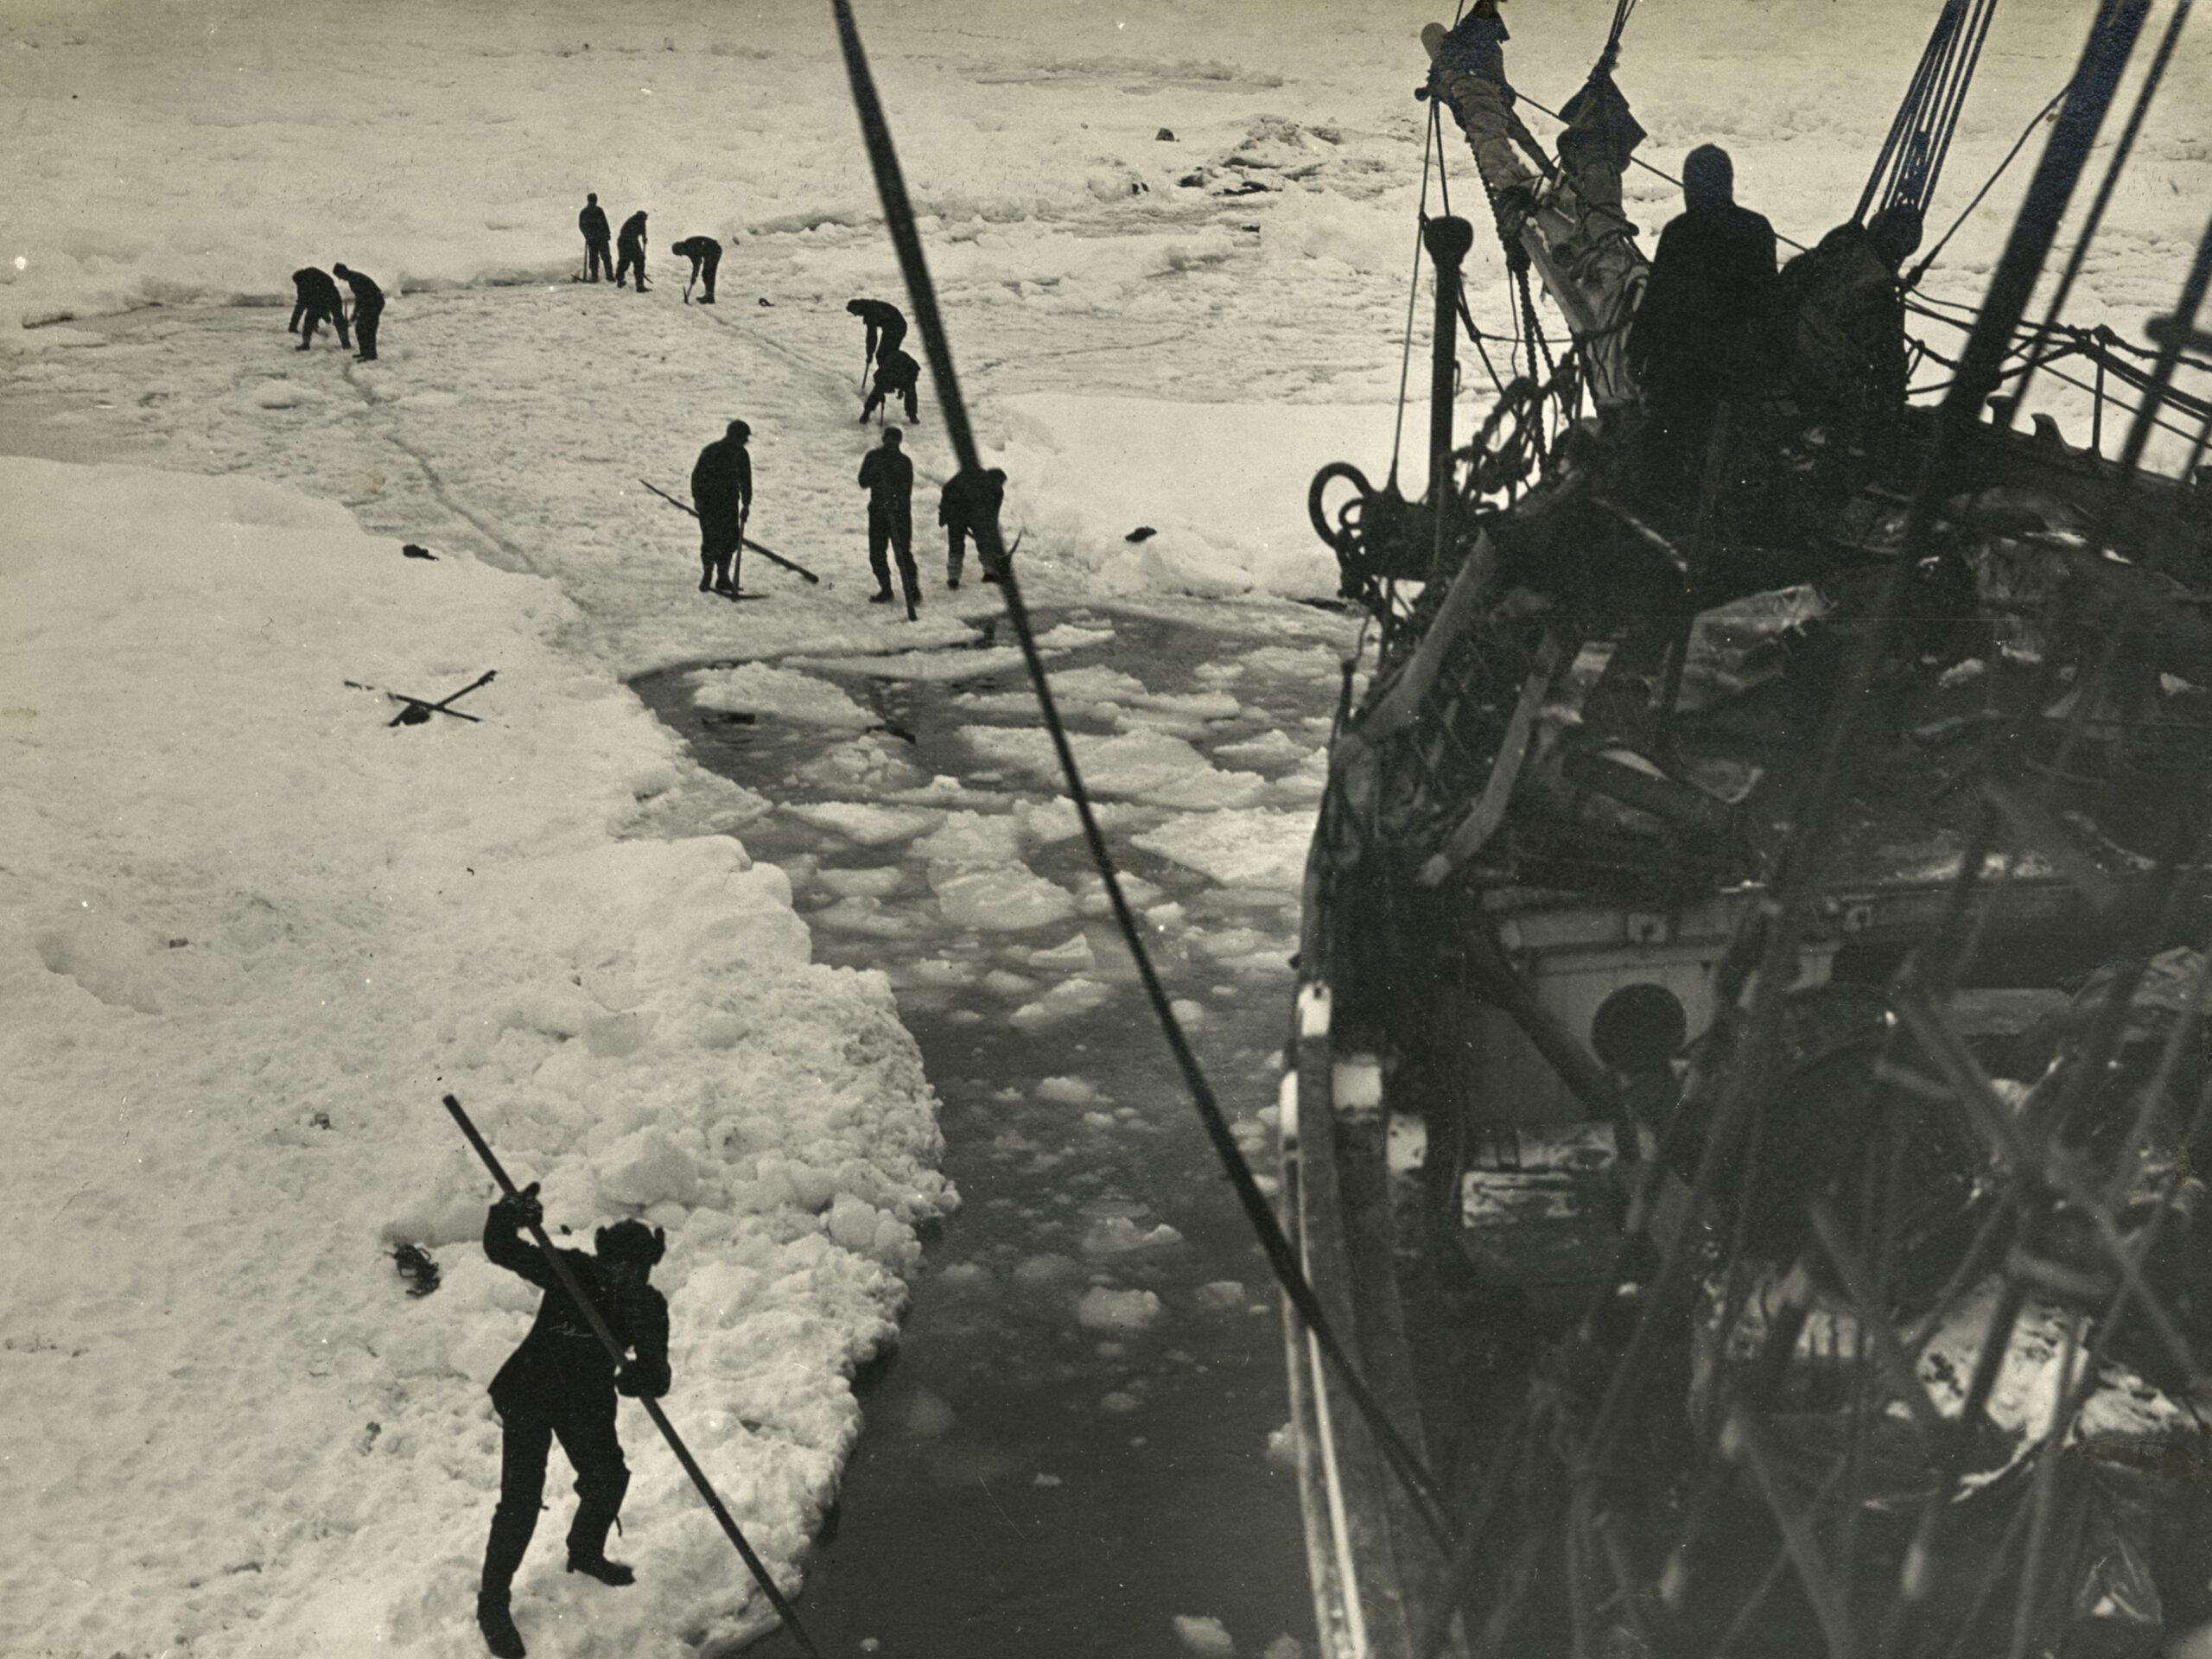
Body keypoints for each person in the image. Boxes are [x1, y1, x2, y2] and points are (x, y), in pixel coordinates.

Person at [475, 1182, 670, 1659]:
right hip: (532, 1391)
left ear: (648, 1268)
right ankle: (492, 1605)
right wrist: (508, 1213)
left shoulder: (648, 1306)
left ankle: (584, 1552)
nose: (624, 1277)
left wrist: (641, 1376)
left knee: (609, 1478)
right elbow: (500, 1248)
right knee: (521, 1500)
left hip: (585, 1398)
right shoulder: (572, 1272)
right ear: (602, 1260)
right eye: (616, 1266)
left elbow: (657, 1375)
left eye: (636, 1269)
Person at [1626, 144, 1778, 508]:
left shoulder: (1680, 231)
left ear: (1689, 186)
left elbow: (1657, 302)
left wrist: (1635, 353)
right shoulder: (1757, 229)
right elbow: (1770, 305)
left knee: (1667, 454)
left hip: (1682, 374)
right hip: (1737, 374)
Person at [1778, 202, 1923, 455]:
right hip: (1815, 386)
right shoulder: (1881, 290)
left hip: (1777, 357)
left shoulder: (1828, 252)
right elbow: (1891, 365)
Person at [858, 427, 919, 620]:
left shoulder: (904, 462)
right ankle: (886, 588)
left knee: (903, 552)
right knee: (877, 552)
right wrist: (874, 474)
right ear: (884, 439)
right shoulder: (873, 457)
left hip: (899, 515)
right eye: (889, 440)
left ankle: (912, 589)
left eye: (895, 440)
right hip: (877, 514)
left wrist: (894, 503)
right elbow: (862, 481)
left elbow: (906, 490)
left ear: (899, 442)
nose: (891, 443)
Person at [690, 420, 753, 595]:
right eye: (744, 438)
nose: (745, 442)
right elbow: (697, 477)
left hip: (726, 505)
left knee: (728, 540)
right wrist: (698, 499)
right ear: (736, 437)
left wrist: (746, 504)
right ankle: (708, 575)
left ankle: (722, 577)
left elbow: (745, 481)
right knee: (713, 540)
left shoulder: (740, 454)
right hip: (711, 504)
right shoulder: (712, 451)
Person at [938, 465, 1007, 588]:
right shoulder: (974, 478)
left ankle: (986, 573)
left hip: (970, 516)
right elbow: (948, 490)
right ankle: (956, 577)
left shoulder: (995, 490)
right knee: (962, 544)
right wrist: (945, 513)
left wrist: (990, 530)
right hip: (958, 513)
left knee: (973, 543)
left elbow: (993, 514)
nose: (1000, 486)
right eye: (1000, 483)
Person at [288, 267, 350, 352]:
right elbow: (301, 305)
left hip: (327, 298)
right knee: (338, 320)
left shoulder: (306, 282)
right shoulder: (311, 274)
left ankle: (306, 344)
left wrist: (293, 326)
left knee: (310, 320)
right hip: (332, 297)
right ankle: (346, 344)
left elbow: (300, 306)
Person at [331, 264, 384, 362]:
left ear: (343, 272)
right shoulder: (353, 278)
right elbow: (360, 298)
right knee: (360, 328)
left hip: (374, 303)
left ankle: (371, 355)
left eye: (339, 276)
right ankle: (364, 352)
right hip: (370, 303)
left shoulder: (355, 279)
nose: (340, 279)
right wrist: (356, 315)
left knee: (368, 328)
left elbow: (361, 298)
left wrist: (355, 315)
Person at [861, 346, 920, 424]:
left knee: (911, 390)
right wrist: (881, 393)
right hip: (892, 371)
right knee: (878, 390)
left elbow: (912, 378)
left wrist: (902, 389)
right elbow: (877, 377)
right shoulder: (885, 369)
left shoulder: (911, 369)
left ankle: (912, 415)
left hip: (904, 371)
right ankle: (867, 411)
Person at [845, 297, 908, 370]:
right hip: (894, 328)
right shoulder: (869, 307)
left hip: (896, 328)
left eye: (854, 312)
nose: (856, 315)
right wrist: (870, 353)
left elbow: (872, 336)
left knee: (883, 355)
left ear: (857, 307)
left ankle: (890, 375)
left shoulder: (870, 311)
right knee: (887, 354)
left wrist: (869, 354)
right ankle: (892, 374)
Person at [671, 235, 721, 305]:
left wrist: (694, 277)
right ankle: (708, 295)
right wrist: (694, 277)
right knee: (706, 273)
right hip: (710, 251)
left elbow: (697, 263)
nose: (681, 255)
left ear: (681, 248)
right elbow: (697, 263)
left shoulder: (690, 246)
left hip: (714, 250)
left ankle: (710, 297)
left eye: (679, 253)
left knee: (709, 273)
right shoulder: (688, 249)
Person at [578, 194, 613, 283]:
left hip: (602, 238)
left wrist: (608, 233)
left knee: (606, 257)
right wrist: (586, 235)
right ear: (589, 201)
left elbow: (605, 222)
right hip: (592, 239)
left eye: (595, 201)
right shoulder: (584, 212)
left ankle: (610, 276)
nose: (594, 203)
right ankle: (594, 276)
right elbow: (581, 226)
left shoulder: (599, 210)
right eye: (592, 201)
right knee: (594, 258)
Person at [616, 211, 650, 292]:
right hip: (625, 243)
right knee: (627, 262)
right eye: (644, 219)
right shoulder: (632, 222)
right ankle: (621, 280)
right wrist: (638, 252)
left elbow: (643, 231)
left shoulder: (641, 221)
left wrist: (644, 238)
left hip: (631, 242)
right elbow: (629, 236)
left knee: (638, 261)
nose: (645, 221)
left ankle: (639, 285)